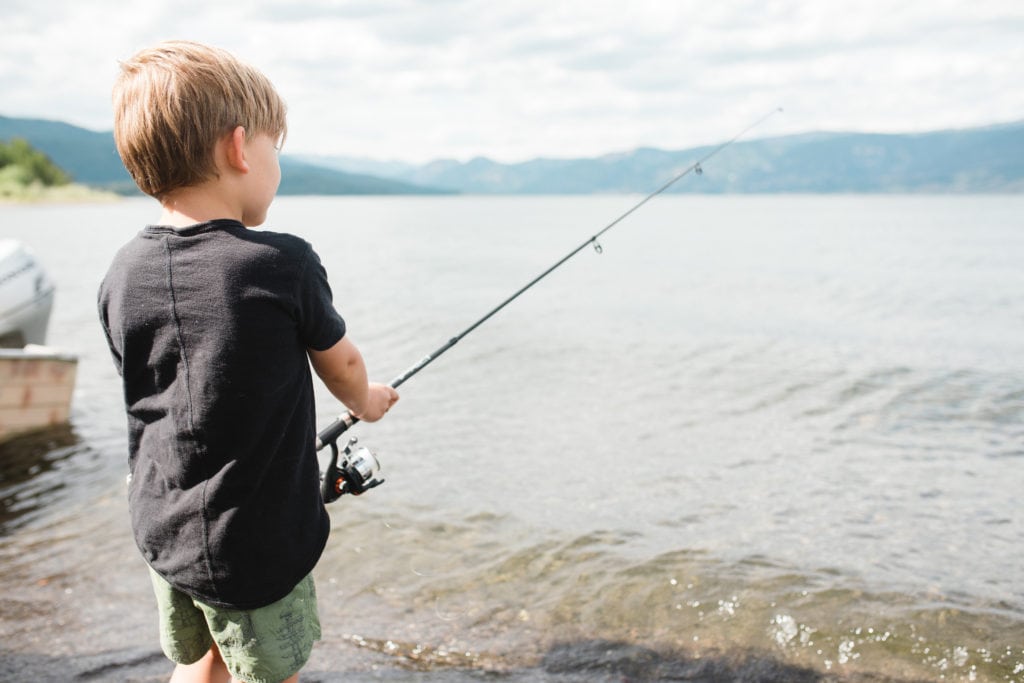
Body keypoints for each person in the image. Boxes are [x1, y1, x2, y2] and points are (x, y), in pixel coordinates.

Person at [98, 40, 399, 683]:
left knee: (205, 654)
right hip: (254, 541)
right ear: (239, 149)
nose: (275, 164)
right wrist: (367, 401)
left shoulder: (121, 273)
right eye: (274, 148)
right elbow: (341, 363)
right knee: (271, 673)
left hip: (164, 527)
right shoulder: (280, 264)